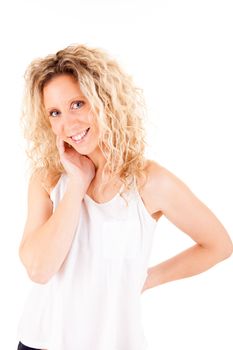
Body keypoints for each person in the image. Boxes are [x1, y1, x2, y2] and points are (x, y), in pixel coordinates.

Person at [17, 44, 233, 350]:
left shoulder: (149, 182)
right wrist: (78, 183)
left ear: (105, 100)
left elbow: (219, 245)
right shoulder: (49, 179)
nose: (68, 123)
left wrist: (148, 278)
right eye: (55, 112)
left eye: (78, 104)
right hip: (39, 342)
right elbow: (39, 270)